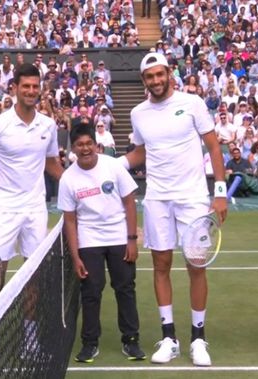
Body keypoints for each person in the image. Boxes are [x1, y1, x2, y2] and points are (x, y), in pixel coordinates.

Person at [119, 52, 227, 366]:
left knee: (196, 266)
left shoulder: (192, 103)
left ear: (169, 73)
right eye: (149, 76)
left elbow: (213, 145)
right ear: (144, 81)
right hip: (157, 198)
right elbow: (140, 153)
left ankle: (198, 339)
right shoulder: (139, 113)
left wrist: (219, 192)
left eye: (159, 74)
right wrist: (114, 166)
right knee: (161, 265)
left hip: (193, 197)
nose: (155, 80)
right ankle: (169, 338)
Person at [0, 64, 64, 307]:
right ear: (15, 88)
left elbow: (51, 165)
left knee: (34, 278)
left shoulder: (48, 125)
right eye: (25, 86)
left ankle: (30, 339)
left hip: (36, 210)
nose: (30, 91)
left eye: (34, 86)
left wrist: (78, 185)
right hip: (4, 209)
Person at [58, 124, 146, 363]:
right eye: (80, 145)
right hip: (89, 241)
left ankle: (131, 341)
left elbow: (129, 203)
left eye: (89, 144)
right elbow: (70, 220)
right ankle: (89, 343)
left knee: (125, 288)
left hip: (119, 237)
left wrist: (131, 240)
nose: (85, 149)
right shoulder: (68, 179)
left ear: (97, 145)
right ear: (73, 149)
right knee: (91, 292)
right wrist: (75, 257)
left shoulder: (113, 166)